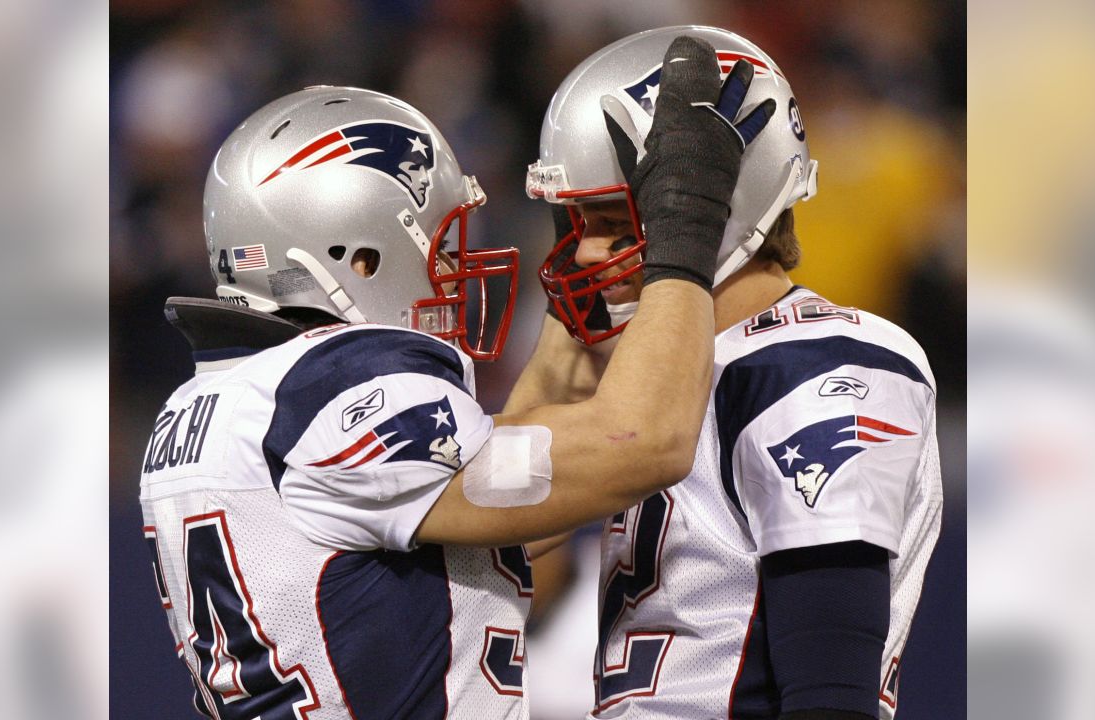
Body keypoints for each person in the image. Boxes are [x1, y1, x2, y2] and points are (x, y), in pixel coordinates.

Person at [139, 46, 768, 719]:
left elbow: (509, 499)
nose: (451, 270)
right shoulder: (337, 390)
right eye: (439, 248)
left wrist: (570, 300)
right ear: (360, 256)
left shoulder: (225, 401)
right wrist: (686, 224)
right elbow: (642, 442)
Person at [516, 26, 942, 719]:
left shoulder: (822, 363)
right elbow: (502, 532)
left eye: (613, 223)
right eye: (575, 223)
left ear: (719, 200)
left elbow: (829, 690)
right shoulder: (652, 375)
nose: (587, 253)